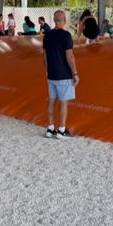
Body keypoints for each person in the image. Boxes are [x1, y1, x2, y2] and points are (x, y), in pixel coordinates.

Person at [42, 10, 79, 140]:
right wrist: (75, 73)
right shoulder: (66, 35)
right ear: (64, 20)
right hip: (64, 75)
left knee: (51, 101)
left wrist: (47, 71)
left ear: (54, 20)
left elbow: (45, 56)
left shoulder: (47, 35)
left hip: (51, 75)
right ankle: (62, 131)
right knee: (63, 103)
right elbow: (70, 56)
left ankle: (50, 128)